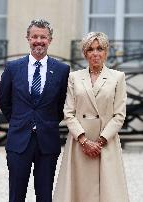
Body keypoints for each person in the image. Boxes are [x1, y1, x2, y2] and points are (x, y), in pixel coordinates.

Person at [0, 19, 70, 202]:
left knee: (45, 194)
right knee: (16, 194)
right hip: (19, 140)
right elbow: (4, 101)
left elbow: (63, 103)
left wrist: (47, 122)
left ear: (50, 40)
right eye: (35, 37)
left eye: (43, 37)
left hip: (47, 140)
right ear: (28, 39)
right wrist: (19, 120)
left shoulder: (62, 70)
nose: (39, 41)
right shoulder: (13, 68)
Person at [53, 32, 129, 202]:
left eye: (99, 49)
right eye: (90, 49)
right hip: (80, 143)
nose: (95, 53)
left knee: (108, 192)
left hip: (106, 144)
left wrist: (100, 142)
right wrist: (84, 141)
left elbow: (119, 115)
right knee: (79, 191)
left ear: (106, 52)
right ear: (85, 53)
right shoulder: (74, 77)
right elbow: (69, 112)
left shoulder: (118, 77)